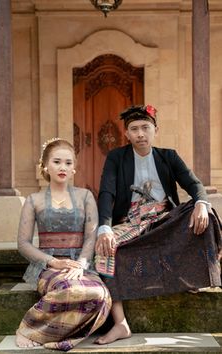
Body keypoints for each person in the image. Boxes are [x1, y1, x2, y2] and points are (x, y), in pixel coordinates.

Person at [95, 105, 222, 345]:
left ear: (155, 130)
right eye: (134, 129)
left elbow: (193, 184)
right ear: (127, 134)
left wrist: (201, 203)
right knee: (103, 250)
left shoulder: (168, 156)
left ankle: (194, 279)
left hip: (165, 220)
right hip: (132, 222)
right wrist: (104, 227)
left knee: (208, 214)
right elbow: (106, 193)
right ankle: (121, 324)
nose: (140, 133)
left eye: (145, 127)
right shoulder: (116, 158)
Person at [15, 138, 111, 351]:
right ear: (45, 166)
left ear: (74, 168)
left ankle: (58, 338)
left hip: (80, 265)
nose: (63, 167)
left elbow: (91, 236)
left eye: (68, 163)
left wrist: (81, 265)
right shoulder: (34, 200)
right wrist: (53, 263)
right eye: (57, 162)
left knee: (102, 296)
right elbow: (23, 243)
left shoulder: (85, 196)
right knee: (69, 289)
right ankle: (28, 328)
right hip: (48, 267)